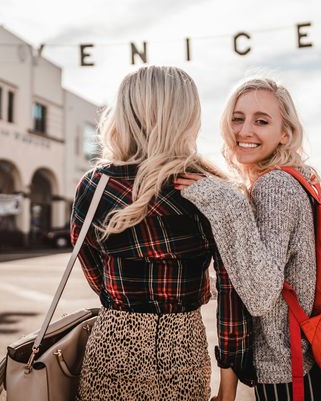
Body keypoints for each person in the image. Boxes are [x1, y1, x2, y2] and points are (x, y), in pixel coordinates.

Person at [70, 66, 255, 401]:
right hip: (183, 347)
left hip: (113, 345)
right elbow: (231, 293)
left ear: (125, 113)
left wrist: (122, 299)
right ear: (186, 116)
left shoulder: (96, 186)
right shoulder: (206, 189)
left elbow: (90, 265)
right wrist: (228, 387)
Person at [174, 78, 321, 401]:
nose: (245, 130)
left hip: (293, 370)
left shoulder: (276, 187)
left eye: (261, 121)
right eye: (237, 118)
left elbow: (261, 294)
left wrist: (225, 202)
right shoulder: (297, 179)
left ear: (285, 133)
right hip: (311, 365)